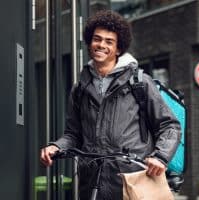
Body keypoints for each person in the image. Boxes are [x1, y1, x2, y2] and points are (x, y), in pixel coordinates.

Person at [40, 9, 181, 199]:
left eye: (109, 41)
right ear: (90, 42)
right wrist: (56, 147)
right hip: (91, 182)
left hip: (133, 181)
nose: (101, 45)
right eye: (97, 39)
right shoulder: (80, 88)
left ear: (118, 49)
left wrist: (160, 157)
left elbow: (169, 125)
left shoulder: (139, 82)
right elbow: (73, 134)